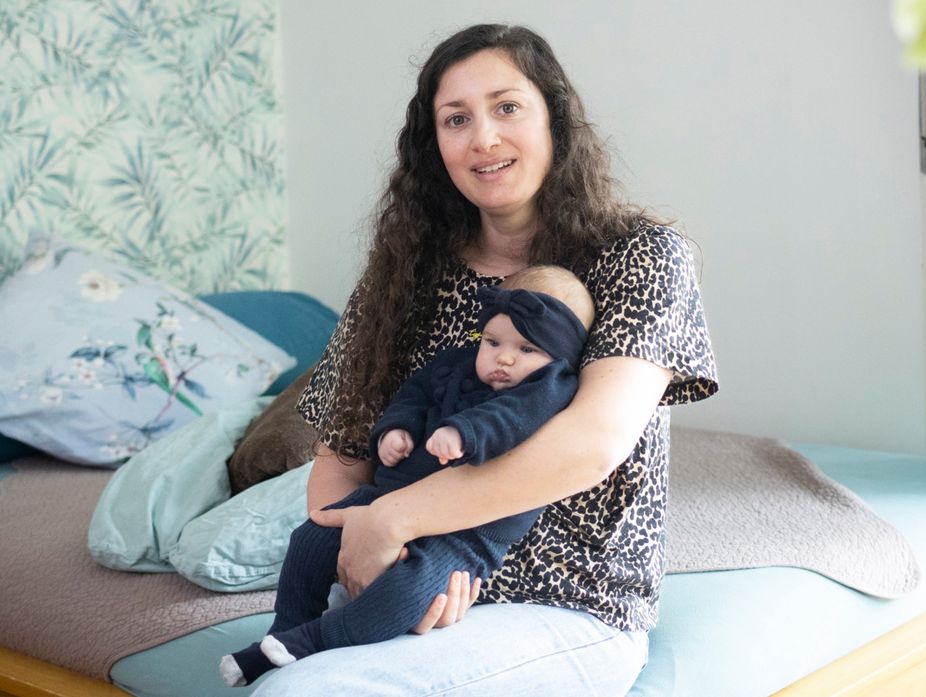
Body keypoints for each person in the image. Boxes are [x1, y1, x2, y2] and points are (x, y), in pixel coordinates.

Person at [252, 23, 718, 697]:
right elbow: (340, 459)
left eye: (507, 107)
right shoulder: (399, 278)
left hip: (570, 604)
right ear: (433, 143)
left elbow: (591, 445)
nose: (484, 138)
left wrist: (400, 517)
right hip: (404, 580)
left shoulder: (641, 256)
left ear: (553, 116)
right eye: (456, 118)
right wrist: (386, 564)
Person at [220, 266, 595, 687]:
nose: (504, 358)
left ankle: (318, 639)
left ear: (558, 356)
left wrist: (465, 432)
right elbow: (414, 396)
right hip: (387, 497)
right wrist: (395, 431)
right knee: (310, 537)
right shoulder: (456, 365)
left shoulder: (553, 387)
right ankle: (285, 628)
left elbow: (513, 419)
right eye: (493, 342)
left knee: (409, 596)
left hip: (465, 537)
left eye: (527, 349)